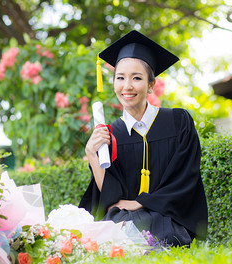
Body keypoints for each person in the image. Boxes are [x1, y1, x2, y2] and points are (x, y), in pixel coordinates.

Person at [79, 30, 208, 247]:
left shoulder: (178, 122)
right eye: (120, 78)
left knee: (158, 232)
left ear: (151, 84)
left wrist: (139, 203)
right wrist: (92, 154)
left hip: (168, 218)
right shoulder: (110, 135)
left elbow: (186, 178)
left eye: (136, 78)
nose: (127, 86)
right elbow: (112, 199)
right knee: (110, 231)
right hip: (124, 219)